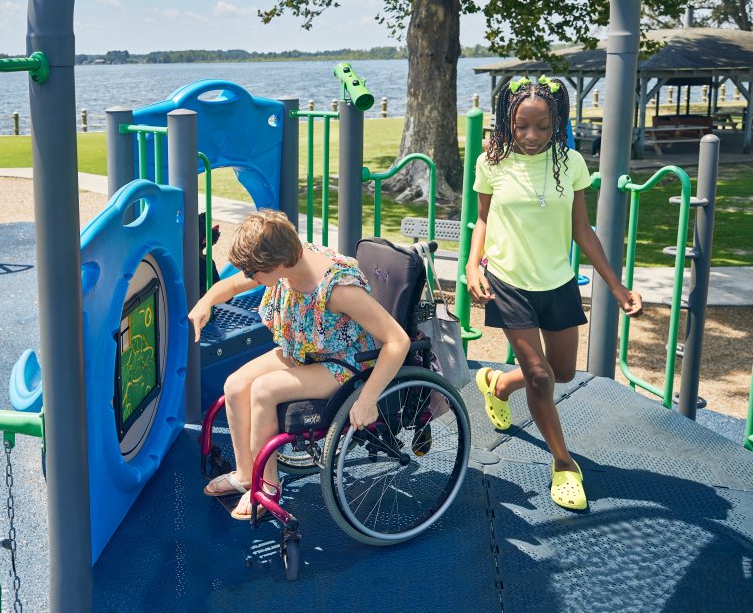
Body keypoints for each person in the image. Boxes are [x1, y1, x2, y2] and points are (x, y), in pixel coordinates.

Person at [466, 75, 643, 511]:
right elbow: (483, 220)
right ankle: (564, 464)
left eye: (542, 127)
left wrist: (616, 285)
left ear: (556, 122)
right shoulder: (492, 162)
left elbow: (582, 229)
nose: (531, 136)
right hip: (508, 281)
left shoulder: (572, 163)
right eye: (521, 126)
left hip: (558, 282)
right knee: (541, 376)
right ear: (507, 122)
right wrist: (473, 264)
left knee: (562, 372)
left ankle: (497, 384)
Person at [188, 209, 411, 520]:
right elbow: (236, 283)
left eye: (256, 274)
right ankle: (243, 473)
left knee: (264, 390)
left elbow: (397, 341)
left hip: (342, 364)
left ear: (278, 265)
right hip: (303, 352)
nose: (251, 280)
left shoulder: (338, 289)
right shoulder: (286, 259)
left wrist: (368, 398)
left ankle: (267, 486)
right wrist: (205, 302)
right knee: (235, 385)